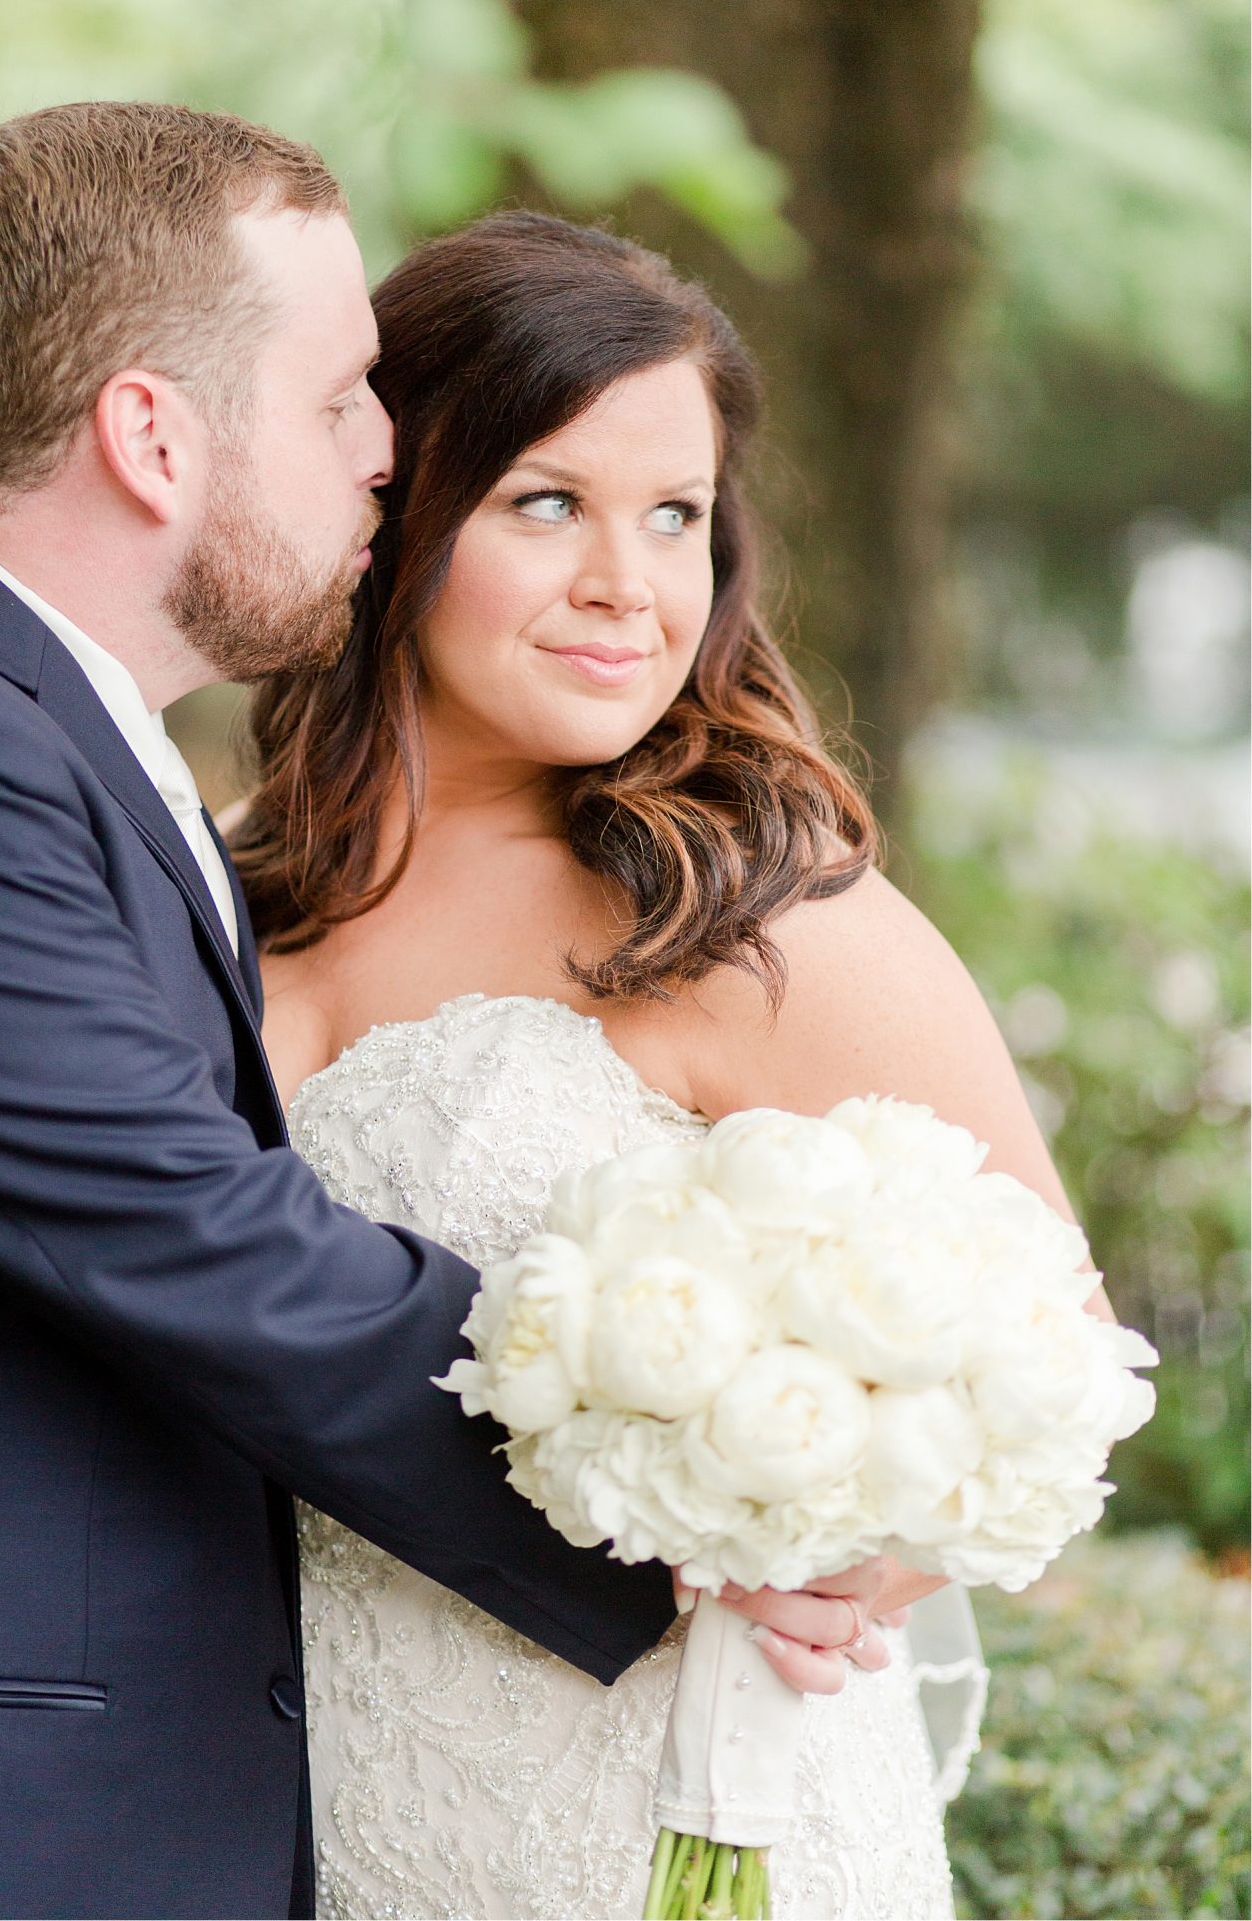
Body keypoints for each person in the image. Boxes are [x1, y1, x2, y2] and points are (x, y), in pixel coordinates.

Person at [0, 107, 831, 1921]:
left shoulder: (53, 733)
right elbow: (174, 1223)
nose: (390, 452)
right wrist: (667, 1481)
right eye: (338, 402)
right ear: (151, 437)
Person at [234, 211, 1111, 1919]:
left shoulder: (761, 917)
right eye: (545, 503)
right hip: (303, 1800)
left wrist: (843, 1534)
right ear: (390, 509)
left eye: (677, 518)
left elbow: (1053, 1366)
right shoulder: (210, 879)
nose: (627, 587)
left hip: (671, 1811)